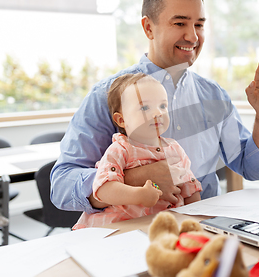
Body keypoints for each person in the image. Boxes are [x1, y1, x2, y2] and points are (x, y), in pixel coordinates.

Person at [51, 0, 259, 215]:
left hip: (203, 227)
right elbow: (61, 186)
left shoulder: (214, 95)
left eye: (199, 25)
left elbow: (253, 169)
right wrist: (133, 178)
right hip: (133, 234)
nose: (193, 37)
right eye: (180, 23)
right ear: (149, 28)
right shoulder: (108, 94)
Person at [73, 73, 201, 229]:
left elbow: (190, 189)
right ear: (121, 120)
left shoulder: (174, 149)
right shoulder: (120, 150)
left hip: (160, 225)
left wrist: (196, 221)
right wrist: (139, 195)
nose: (158, 113)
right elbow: (103, 189)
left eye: (162, 106)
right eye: (145, 107)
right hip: (119, 226)